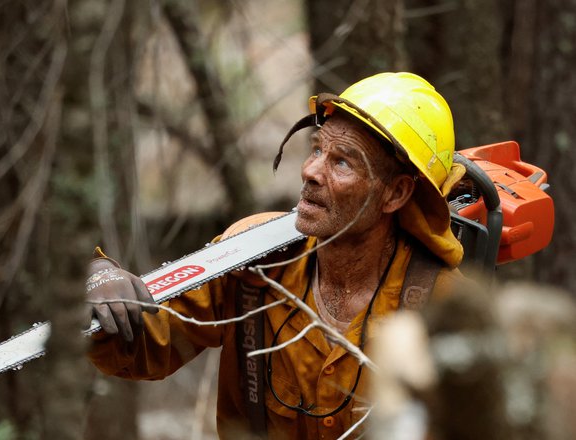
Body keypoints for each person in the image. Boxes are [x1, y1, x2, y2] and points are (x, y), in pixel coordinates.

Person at [86, 72, 467, 439]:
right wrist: (98, 282)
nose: (309, 170)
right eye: (317, 148)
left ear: (395, 194)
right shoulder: (253, 256)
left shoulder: (444, 305)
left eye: (342, 162)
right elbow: (147, 346)